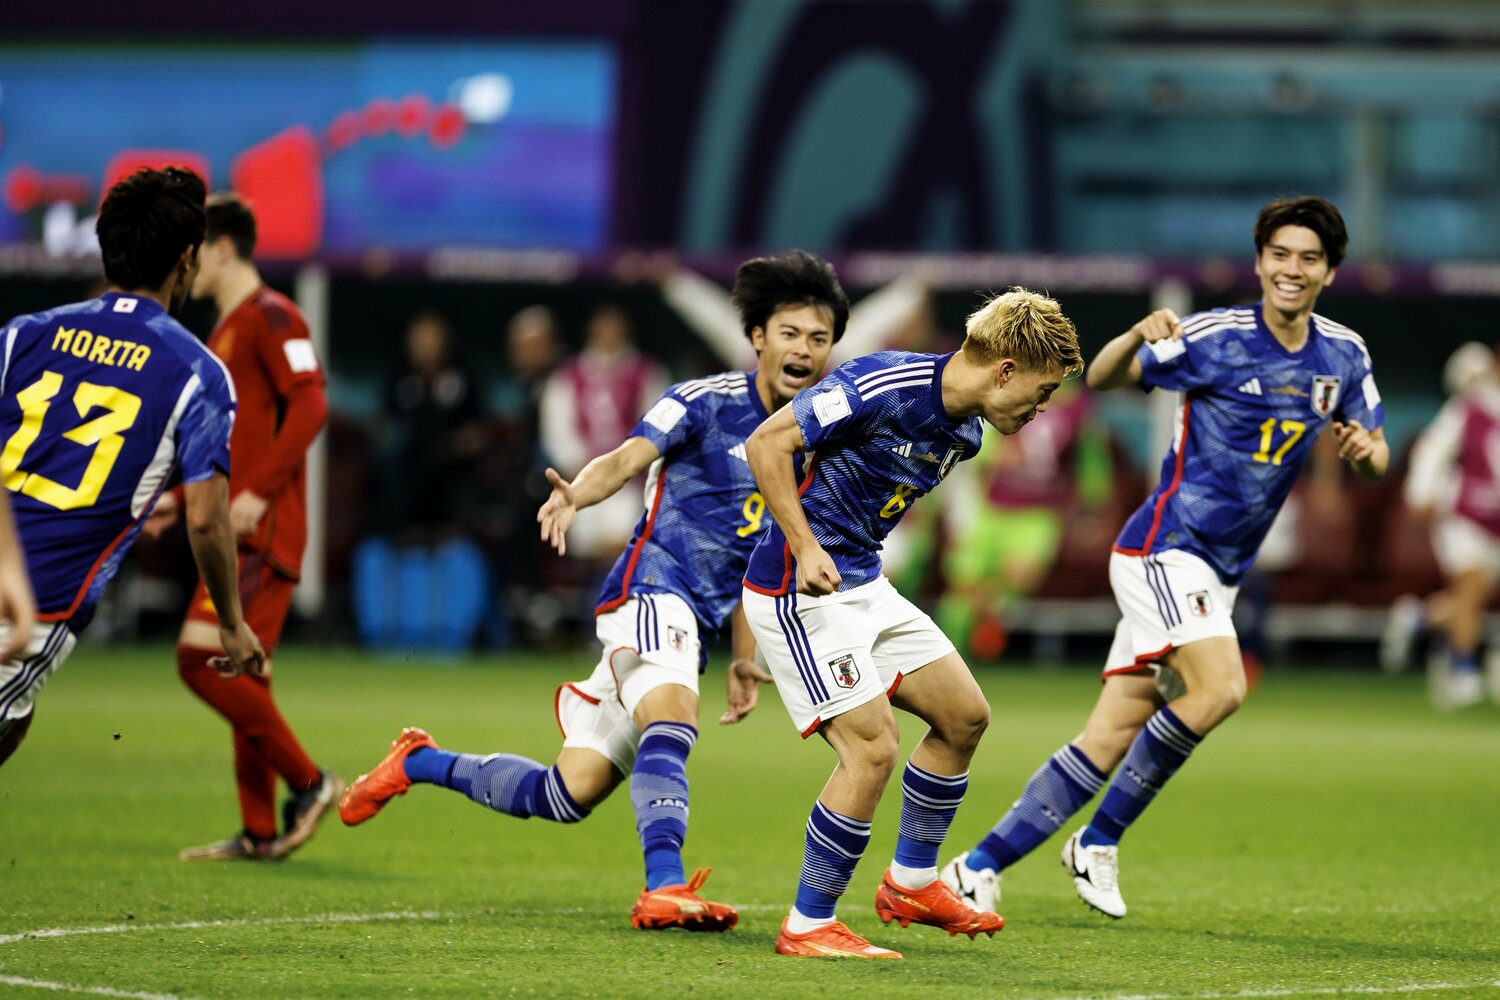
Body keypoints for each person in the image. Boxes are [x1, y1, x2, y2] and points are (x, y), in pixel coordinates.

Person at [338, 250, 848, 931]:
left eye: (819, 338)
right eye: (790, 333)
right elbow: (628, 456)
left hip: (695, 623)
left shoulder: (814, 440)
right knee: (673, 714)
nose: (804, 350)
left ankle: (419, 762)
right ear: (758, 337)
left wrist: (746, 655)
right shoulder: (704, 401)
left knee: (564, 793)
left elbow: (766, 551)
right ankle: (664, 885)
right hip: (649, 589)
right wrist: (577, 494)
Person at [941, 195, 1388, 921]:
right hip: (1164, 549)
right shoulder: (1214, 337)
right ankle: (1099, 841)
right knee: (1220, 689)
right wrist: (1129, 337)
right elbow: (1107, 377)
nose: (1291, 269)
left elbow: (1375, 451)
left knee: (1114, 729)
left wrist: (1367, 455)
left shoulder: (1345, 354)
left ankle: (978, 865)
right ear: (1259, 262)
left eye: (1308, 258)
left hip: (1221, 573)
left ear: (1330, 271)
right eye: (1280, 254)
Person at [741, 288, 1082, 959]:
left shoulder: (966, 431)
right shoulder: (883, 383)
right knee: (872, 749)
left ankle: (911, 882)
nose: (1040, 412)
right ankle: (809, 925)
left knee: (964, 716)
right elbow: (766, 443)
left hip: (862, 582)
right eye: (1040, 394)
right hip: (799, 585)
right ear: (1005, 370)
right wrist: (807, 546)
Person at [0, 166, 263, 768]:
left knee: (16, 721)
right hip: (32, 609)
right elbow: (205, 520)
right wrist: (229, 621)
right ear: (187, 260)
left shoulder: (22, 336)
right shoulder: (196, 373)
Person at [144, 192, 343, 860]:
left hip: (263, 528)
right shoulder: (224, 331)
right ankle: (261, 830)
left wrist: (255, 495)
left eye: (196, 252)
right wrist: (181, 498)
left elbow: (312, 406)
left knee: (199, 658)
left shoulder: (273, 314)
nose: (189, 267)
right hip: (236, 521)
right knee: (238, 671)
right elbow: (237, 438)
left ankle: (312, 785)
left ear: (222, 249)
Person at [1383, 342, 1500, 707]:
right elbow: (1434, 449)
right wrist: (1421, 492)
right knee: (1472, 583)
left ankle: (1418, 619)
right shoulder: (1469, 408)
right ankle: (1464, 670)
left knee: (1472, 599)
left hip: (1496, 520)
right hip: (1464, 515)